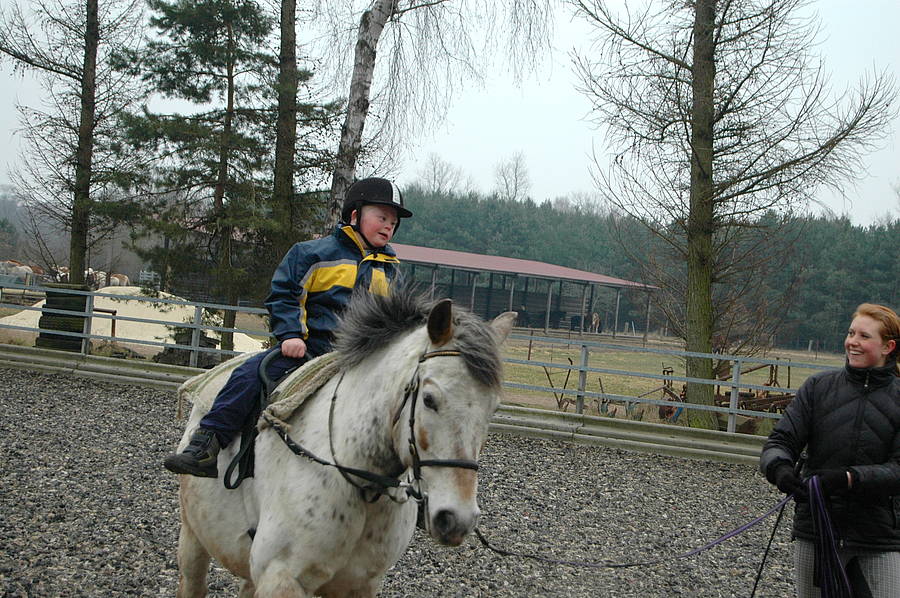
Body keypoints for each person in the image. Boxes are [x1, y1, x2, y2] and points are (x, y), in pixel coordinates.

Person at [164, 177, 412, 478]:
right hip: (312, 348)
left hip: (362, 357)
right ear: (355, 215)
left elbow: (392, 319)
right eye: (382, 217)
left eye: (393, 222)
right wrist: (292, 334)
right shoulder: (313, 254)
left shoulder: (390, 268)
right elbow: (286, 295)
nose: (388, 226)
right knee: (250, 374)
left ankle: (417, 480)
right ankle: (207, 443)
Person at [759, 303, 900, 598]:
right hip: (816, 530)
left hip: (880, 537)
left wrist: (848, 478)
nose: (853, 342)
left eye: (864, 336)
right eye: (851, 333)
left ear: (888, 347)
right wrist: (779, 468)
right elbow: (780, 440)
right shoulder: (818, 387)